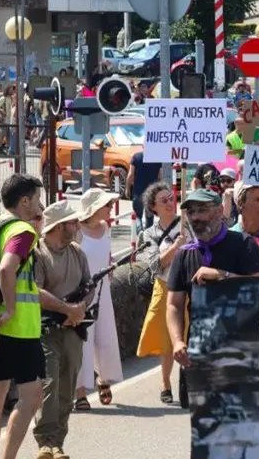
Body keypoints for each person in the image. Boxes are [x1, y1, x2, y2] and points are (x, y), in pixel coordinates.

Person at [166, 189, 259, 407]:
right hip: (199, 354)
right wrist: (177, 341)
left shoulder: (244, 244)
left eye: (202, 210)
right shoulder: (184, 254)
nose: (195, 217)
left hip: (241, 352)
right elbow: (174, 305)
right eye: (191, 212)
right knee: (203, 430)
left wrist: (223, 276)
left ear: (220, 211)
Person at [0, 174, 47, 459]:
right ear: (25, 200)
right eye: (37, 199)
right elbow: (7, 268)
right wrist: (10, 310)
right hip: (18, 328)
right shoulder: (22, 230)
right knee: (32, 396)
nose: (41, 204)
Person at [31, 201, 89, 459]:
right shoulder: (38, 254)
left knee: (67, 387)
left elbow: (90, 285)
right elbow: (36, 291)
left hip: (73, 330)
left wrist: (80, 310)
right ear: (57, 226)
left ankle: (58, 442)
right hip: (46, 330)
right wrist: (67, 310)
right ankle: (45, 441)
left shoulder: (77, 252)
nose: (77, 225)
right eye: (72, 222)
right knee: (49, 385)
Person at [135, 182, 186, 405]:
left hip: (190, 286)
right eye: (163, 200)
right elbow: (156, 264)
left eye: (171, 197)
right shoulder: (148, 234)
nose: (169, 202)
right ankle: (165, 382)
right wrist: (176, 247)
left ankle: (189, 383)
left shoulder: (187, 223)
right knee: (167, 340)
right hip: (165, 287)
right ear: (153, 207)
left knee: (189, 335)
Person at [74, 188, 123, 410]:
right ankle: (80, 393)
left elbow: (107, 254)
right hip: (82, 293)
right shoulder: (77, 231)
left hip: (104, 291)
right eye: (107, 205)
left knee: (105, 338)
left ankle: (103, 378)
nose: (111, 208)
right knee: (83, 341)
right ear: (94, 208)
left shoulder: (105, 228)